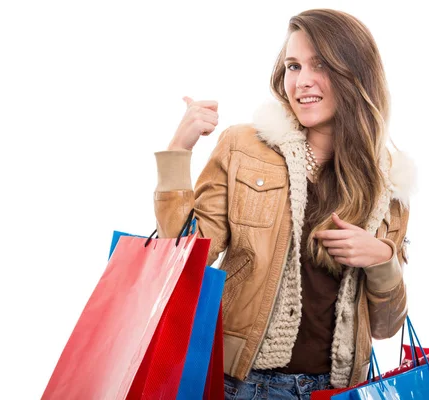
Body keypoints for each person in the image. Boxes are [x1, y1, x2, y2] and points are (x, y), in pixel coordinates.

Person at [153, 8, 415, 400]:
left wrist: (381, 258)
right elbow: (184, 258)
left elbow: (385, 325)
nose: (302, 81)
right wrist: (178, 151)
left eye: (320, 64)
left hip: (340, 389)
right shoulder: (245, 146)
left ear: (356, 74)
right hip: (244, 384)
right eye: (293, 66)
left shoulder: (387, 182)